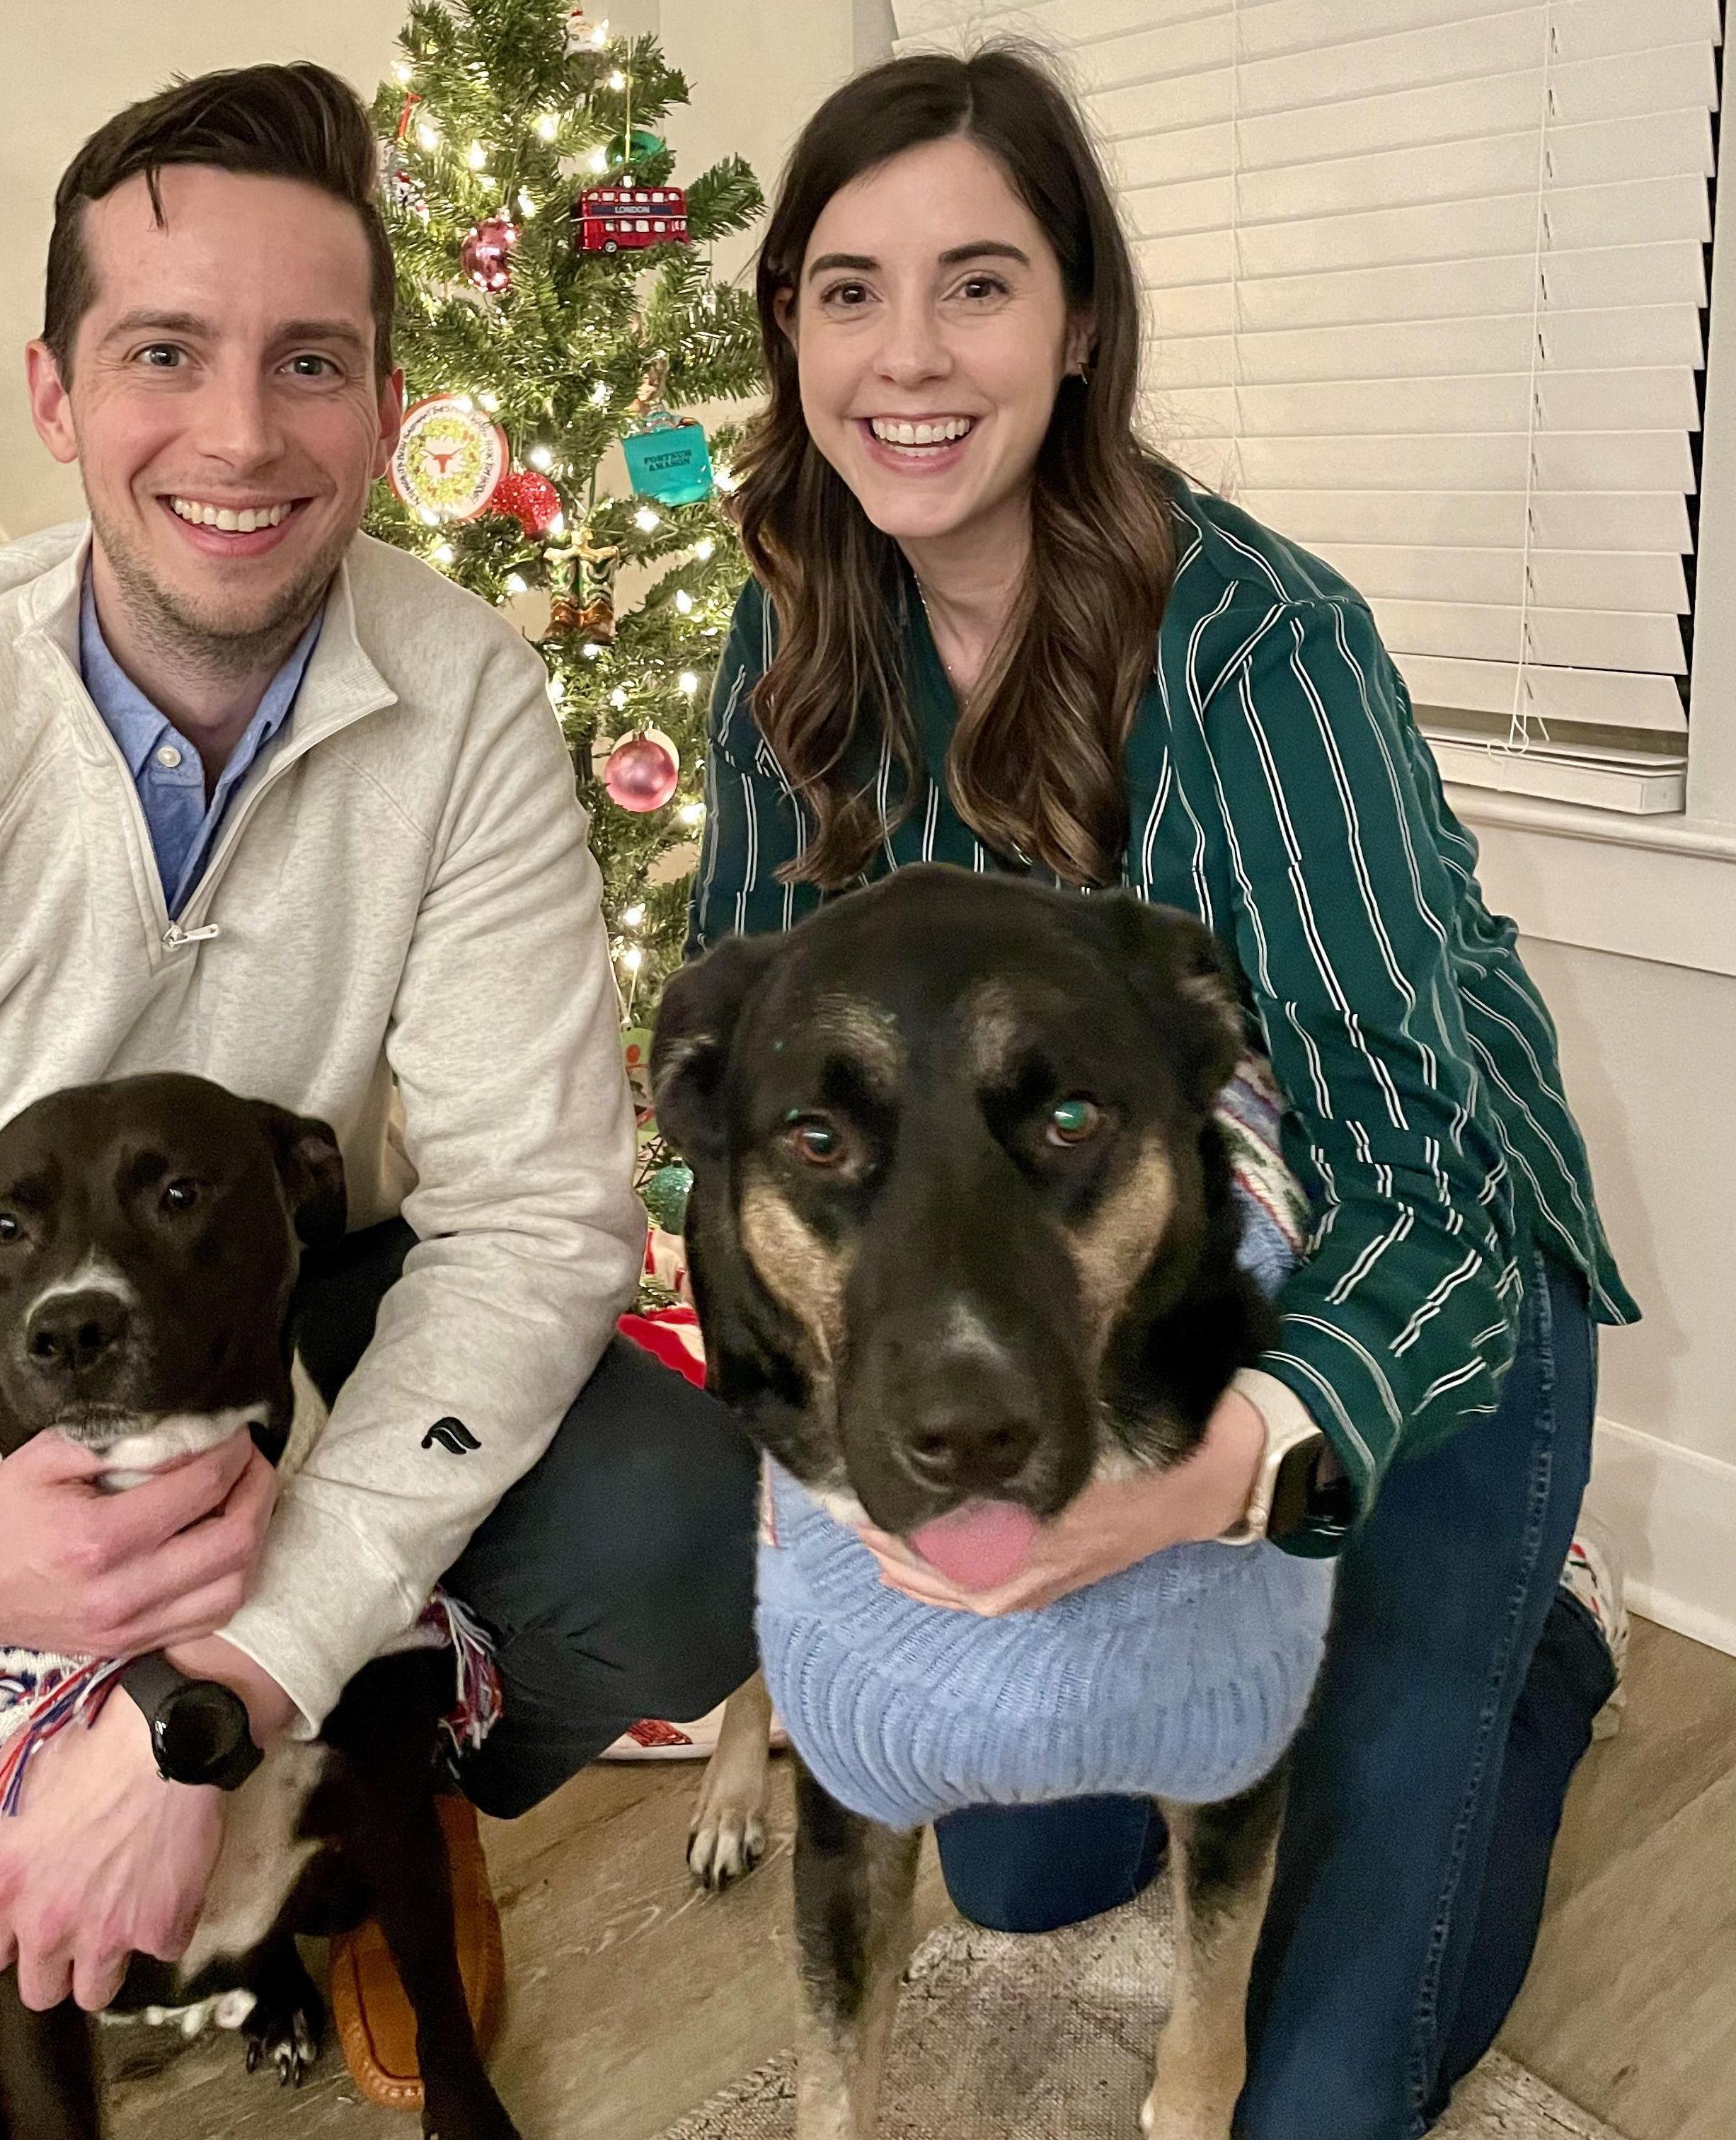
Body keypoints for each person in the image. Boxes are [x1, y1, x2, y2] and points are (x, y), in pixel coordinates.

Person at [0, 59, 759, 2073]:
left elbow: (537, 1217)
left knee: (688, 1537)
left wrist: (227, 1687)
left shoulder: (468, 701)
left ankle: (366, 1799)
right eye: (163, 350)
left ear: (391, 409)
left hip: (310, 1279)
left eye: (312, 361)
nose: (241, 433)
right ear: (54, 393)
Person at [690, 45, 1634, 2140]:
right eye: (846, 290)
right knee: (1028, 1862)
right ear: (789, 329)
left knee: (1309, 2102)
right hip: (1050, 1323)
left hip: (1411, 1298)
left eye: (980, 284)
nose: (905, 356)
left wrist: (1222, 1479)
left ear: (1082, 319)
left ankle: (1516, 1629)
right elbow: (750, 1092)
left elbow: (1428, 1162)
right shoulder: (785, 663)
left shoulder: (1257, 653)